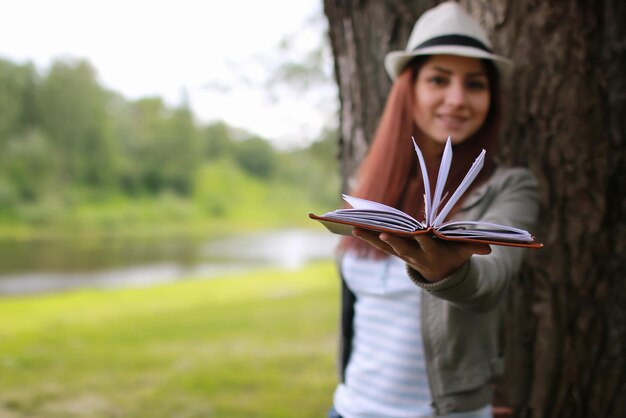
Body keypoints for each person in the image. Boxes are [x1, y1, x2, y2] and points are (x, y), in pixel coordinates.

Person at [327, 2, 540, 418]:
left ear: (491, 98)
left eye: (475, 84)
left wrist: (448, 270)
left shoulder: (510, 187)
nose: (457, 99)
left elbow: (491, 279)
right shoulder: (367, 188)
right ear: (410, 90)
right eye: (439, 80)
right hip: (349, 408)